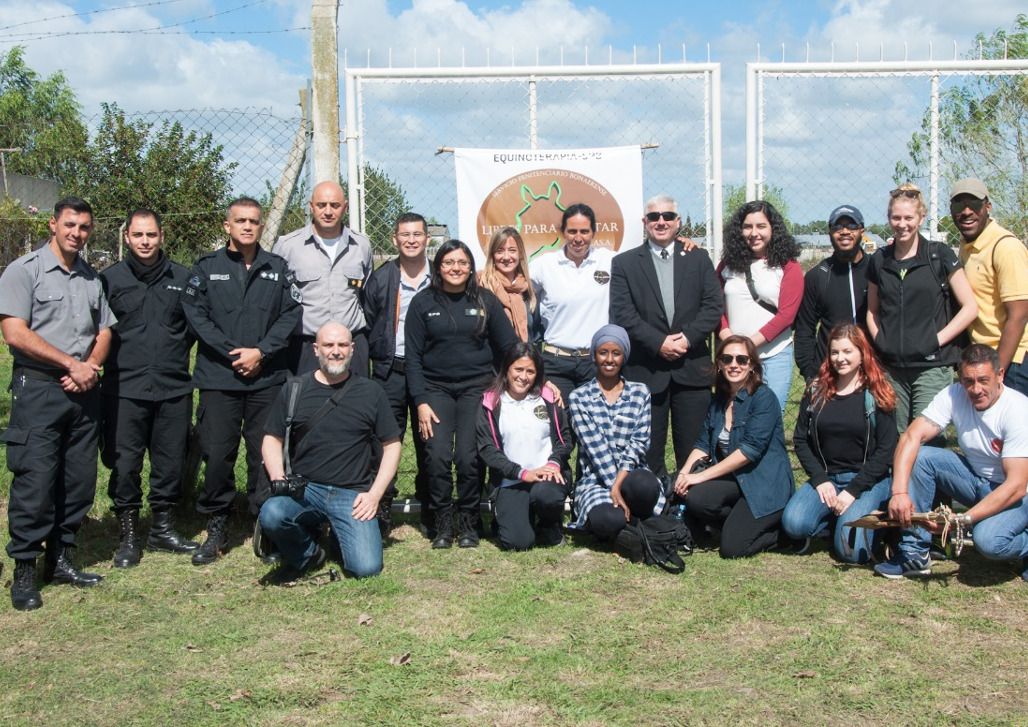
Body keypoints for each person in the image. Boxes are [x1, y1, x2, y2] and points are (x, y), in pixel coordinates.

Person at [0, 196, 116, 611]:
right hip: (40, 388)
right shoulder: (23, 271)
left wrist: (90, 366)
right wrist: (70, 363)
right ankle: (25, 568)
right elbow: (14, 332)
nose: (77, 233)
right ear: (53, 224)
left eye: (84, 227)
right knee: (35, 479)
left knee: (79, 479)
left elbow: (104, 330)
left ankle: (61, 558)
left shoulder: (90, 277)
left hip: (84, 389)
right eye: (70, 225)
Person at [182, 197, 301, 565]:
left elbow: (291, 314)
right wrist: (236, 353)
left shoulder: (278, 269)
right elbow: (197, 317)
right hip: (220, 377)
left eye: (254, 221)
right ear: (227, 226)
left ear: (262, 227)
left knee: (263, 455)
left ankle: (264, 522)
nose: (247, 226)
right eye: (240, 221)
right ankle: (217, 524)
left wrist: (261, 352)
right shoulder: (206, 268)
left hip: (266, 377)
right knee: (217, 453)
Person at [258, 323, 401, 582]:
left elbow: (392, 445)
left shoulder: (371, 392)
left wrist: (375, 495)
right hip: (306, 489)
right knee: (272, 513)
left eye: (342, 345)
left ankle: (338, 533)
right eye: (328, 345)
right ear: (316, 349)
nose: (336, 351)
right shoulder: (294, 390)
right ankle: (309, 553)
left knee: (366, 568)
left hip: (352, 493)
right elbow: (272, 438)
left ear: (352, 349)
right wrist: (279, 478)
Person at [874, 344, 1028, 580]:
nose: (976, 389)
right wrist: (899, 492)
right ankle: (914, 553)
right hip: (980, 482)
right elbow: (911, 436)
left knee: (987, 540)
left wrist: (962, 521)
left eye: (983, 380)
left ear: (1000, 375)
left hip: (1020, 494)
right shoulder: (954, 394)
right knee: (922, 456)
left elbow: (1016, 485)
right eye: (968, 381)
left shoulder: (1017, 410)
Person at [100, 209, 198, 568]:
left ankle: (162, 529)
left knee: (169, 462)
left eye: (151, 235)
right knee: (125, 465)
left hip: (172, 387)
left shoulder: (183, 278)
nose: (145, 242)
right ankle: (128, 534)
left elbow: (192, 328)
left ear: (161, 236)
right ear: (127, 237)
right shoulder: (109, 280)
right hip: (124, 388)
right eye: (138, 235)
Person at [405, 240, 518, 549]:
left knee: (468, 457)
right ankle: (443, 521)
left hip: (476, 390)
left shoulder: (486, 301)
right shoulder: (423, 303)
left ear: (471, 267)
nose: (456, 268)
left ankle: (469, 521)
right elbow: (413, 358)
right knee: (438, 456)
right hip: (435, 391)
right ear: (438, 267)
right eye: (448, 262)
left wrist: (534, 380)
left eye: (462, 263)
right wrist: (421, 402)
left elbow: (508, 347)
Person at [610, 193, 722, 477]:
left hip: (692, 369)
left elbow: (713, 307)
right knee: (647, 453)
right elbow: (623, 313)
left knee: (694, 451)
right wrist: (658, 343)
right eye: (654, 217)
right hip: (646, 371)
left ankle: (691, 511)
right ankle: (654, 513)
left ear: (678, 222)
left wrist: (686, 339)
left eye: (668, 216)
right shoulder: (625, 263)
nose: (661, 222)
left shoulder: (698, 258)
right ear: (644, 222)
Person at [866, 183, 978, 434]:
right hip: (892, 367)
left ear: (921, 217)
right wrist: (880, 340)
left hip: (931, 367)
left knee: (924, 439)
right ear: (888, 218)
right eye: (896, 217)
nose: (902, 224)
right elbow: (872, 310)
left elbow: (970, 307)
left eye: (908, 217)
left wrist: (935, 340)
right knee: (893, 438)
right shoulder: (879, 260)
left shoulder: (939, 256)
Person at [781, 324, 898, 563]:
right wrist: (820, 480)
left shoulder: (876, 391)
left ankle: (881, 525)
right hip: (829, 478)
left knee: (850, 552)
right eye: (834, 352)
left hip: (866, 481)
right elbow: (801, 439)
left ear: (861, 353)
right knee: (794, 524)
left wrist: (853, 491)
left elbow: (886, 449)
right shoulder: (816, 390)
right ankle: (840, 521)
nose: (840, 358)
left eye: (847, 351)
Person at [673, 335, 794, 558]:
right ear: (719, 364)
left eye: (742, 359)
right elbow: (703, 444)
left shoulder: (763, 398)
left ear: (752, 366)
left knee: (731, 549)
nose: (734, 365)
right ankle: (737, 522)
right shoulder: (719, 400)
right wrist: (683, 474)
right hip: (736, 480)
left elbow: (749, 451)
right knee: (696, 499)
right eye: (727, 359)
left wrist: (699, 477)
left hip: (764, 486)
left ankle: (783, 535)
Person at [364, 212, 433, 536]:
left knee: (428, 440)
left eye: (417, 234)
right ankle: (382, 512)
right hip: (390, 370)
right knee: (387, 441)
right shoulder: (381, 279)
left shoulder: (441, 275)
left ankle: (431, 507)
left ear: (427, 239)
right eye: (404, 234)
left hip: (430, 371)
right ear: (394, 239)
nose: (411, 240)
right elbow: (368, 321)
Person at [568, 324, 663, 541]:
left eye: (616, 353)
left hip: (631, 474)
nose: (609, 359)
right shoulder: (579, 397)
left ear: (624, 356)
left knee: (645, 486)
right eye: (603, 352)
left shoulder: (640, 392)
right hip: (596, 480)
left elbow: (639, 442)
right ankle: (633, 525)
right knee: (609, 520)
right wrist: (613, 488)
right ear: (594, 356)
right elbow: (595, 450)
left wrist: (619, 483)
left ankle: (633, 522)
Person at [477, 342, 572, 550]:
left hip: (548, 475)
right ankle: (512, 515)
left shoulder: (547, 398)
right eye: (518, 369)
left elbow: (565, 439)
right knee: (518, 543)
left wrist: (555, 463)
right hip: (512, 480)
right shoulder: (491, 402)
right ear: (507, 369)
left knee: (546, 497)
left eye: (530, 371)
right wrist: (520, 473)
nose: (523, 376)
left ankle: (549, 525)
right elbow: (488, 449)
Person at [273, 181, 373, 375]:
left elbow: (366, 293)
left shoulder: (361, 245)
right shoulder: (288, 246)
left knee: (356, 404)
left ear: (345, 207)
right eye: (321, 205)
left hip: (350, 345)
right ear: (311, 206)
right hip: (306, 346)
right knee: (306, 404)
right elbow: (277, 298)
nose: (328, 212)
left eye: (335, 205)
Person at [717, 201, 803, 413]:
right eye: (747, 227)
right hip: (734, 359)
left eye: (761, 226)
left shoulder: (788, 266)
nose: (754, 233)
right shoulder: (726, 265)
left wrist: (748, 344)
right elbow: (715, 305)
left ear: (773, 229)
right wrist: (726, 334)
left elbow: (787, 315)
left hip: (773, 356)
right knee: (733, 418)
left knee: (769, 419)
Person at [949, 178, 1028, 397]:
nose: (966, 212)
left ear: (987, 207)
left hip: (1013, 361)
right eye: (958, 205)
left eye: (973, 204)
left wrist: (997, 372)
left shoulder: (1005, 247)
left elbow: (1019, 315)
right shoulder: (967, 247)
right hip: (984, 359)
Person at [530, 204, 613, 403]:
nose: (578, 238)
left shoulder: (610, 260)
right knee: (561, 427)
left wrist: (679, 242)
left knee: (592, 429)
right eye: (572, 231)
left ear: (594, 232)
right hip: (555, 362)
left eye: (584, 231)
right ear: (563, 232)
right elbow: (513, 282)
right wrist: (482, 275)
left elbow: (645, 260)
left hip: (595, 362)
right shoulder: (544, 265)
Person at [794, 204, 871, 383]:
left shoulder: (877, 269)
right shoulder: (818, 276)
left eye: (851, 226)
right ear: (829, 232)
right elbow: (805, 328)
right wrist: (810, 371)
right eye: (838, 226)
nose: (844, 231)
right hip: (831, 370)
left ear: (862, 230)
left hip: (872, 368)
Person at [478, 226, 537, 341]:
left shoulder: (528, 290)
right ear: (492, 255)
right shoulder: (482, 287)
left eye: (512, 250)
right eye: (500, 251)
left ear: (520, 254)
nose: (506, 257)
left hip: (523, 356)